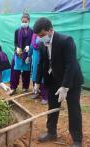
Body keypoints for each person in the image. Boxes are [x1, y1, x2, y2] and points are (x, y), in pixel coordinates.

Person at [33, 17, 83, 147]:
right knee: (53, 106)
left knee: (74, 108)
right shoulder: (42, 44)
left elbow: (70, 65)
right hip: (54, 79)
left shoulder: (66, 41)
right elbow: (42, 64)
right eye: (38, 36)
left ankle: (77, 139)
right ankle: (51, 132)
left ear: (50, 30)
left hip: (71, 80)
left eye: (42, 35)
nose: (41, 38)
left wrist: (65, 86)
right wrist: (37, 82)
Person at [10, 13, 33, 95]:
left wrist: (29, 47)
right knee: (15, 70)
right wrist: (17, 48)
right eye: (22, 21)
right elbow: (15, 42)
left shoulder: (32, 31)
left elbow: (33, 42)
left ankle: (25, 87)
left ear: (29, 21)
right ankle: (13, 87)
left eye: (25, 21)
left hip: (27, 53)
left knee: (26, 71)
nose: (24, 23)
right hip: (18, 53)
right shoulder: (17, 31)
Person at [29, 34, 48, 105]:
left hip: (43, 60)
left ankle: (45, 97)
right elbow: (31, 46)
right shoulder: (34, 36)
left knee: (42, 77)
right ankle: (36, 93)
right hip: (35, 59)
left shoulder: (46, 37)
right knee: (35, 76)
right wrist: (28, 55)